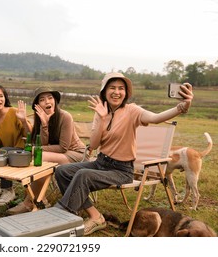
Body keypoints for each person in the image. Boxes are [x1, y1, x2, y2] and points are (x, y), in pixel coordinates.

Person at [54, 72, 194, 236]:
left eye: (121, 88)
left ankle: (61, 218)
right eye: (112, 87)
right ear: (104, 91)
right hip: (100, 163)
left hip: (121, 170)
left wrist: (182, 107)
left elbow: (156, 118)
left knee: (83, 175)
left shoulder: (132, 111)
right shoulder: (101, 111)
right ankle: (95, 215)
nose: (117, 92)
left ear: (126, 92)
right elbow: (93, 145)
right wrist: (101, 118)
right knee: (62, 171)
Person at [7, 86, 86, 214]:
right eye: (42, 100)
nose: (47, 102)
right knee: (37, 155)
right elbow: (39, 142)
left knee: (40, 156)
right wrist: (42, 125)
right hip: (58, 155)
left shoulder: (65, 117)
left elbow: (63, 147)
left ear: (55, 100)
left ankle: (29, 202)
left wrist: (35, 149)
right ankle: (39, 199)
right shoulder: (40, 118)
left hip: (77, 154)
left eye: (50, 98)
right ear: (38, 105)